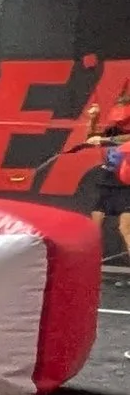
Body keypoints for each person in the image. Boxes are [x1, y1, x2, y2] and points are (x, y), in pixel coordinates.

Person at [68, 86, 130, 265]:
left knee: (125, 227)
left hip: (126, 184)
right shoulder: (113, 129)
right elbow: (91, 138)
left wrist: (104, 140)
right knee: (94, 224)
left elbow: (118, 140)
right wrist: (93, 118)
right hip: (107, 180)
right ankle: (87, 264)